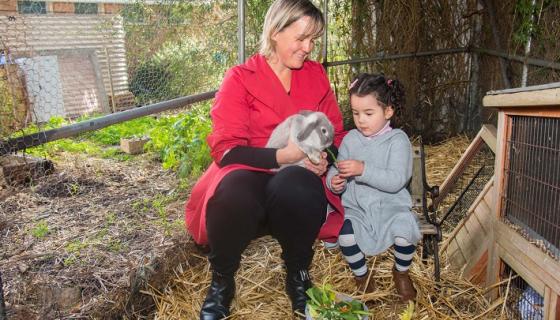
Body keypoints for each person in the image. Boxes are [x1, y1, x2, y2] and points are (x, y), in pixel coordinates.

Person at [184, 0, 345, 318]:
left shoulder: (315, 76)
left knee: (296, 183)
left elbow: (335, 134)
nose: (308, 48)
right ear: (275, 32)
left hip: (295, 180)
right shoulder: (240, 78)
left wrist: (323, 159)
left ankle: (298, 273)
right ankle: (222, 280)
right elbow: (227, 150)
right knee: (233, 188)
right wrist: (282, 155)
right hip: (252, 170)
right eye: (301, 39)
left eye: (313, 40)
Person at [326, 73, 421, 302]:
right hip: (358, 208)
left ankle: (401, 272)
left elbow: (397, 179)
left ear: (388, 111)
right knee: (346, 235)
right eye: (356, 113)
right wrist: (334, 181)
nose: (361, 120)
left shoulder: (397, 141)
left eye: (369, 113)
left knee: (405, 231)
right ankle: (363, 278)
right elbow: (336, 168)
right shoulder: (350, 140)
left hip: (391, 207)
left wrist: (363, 170)